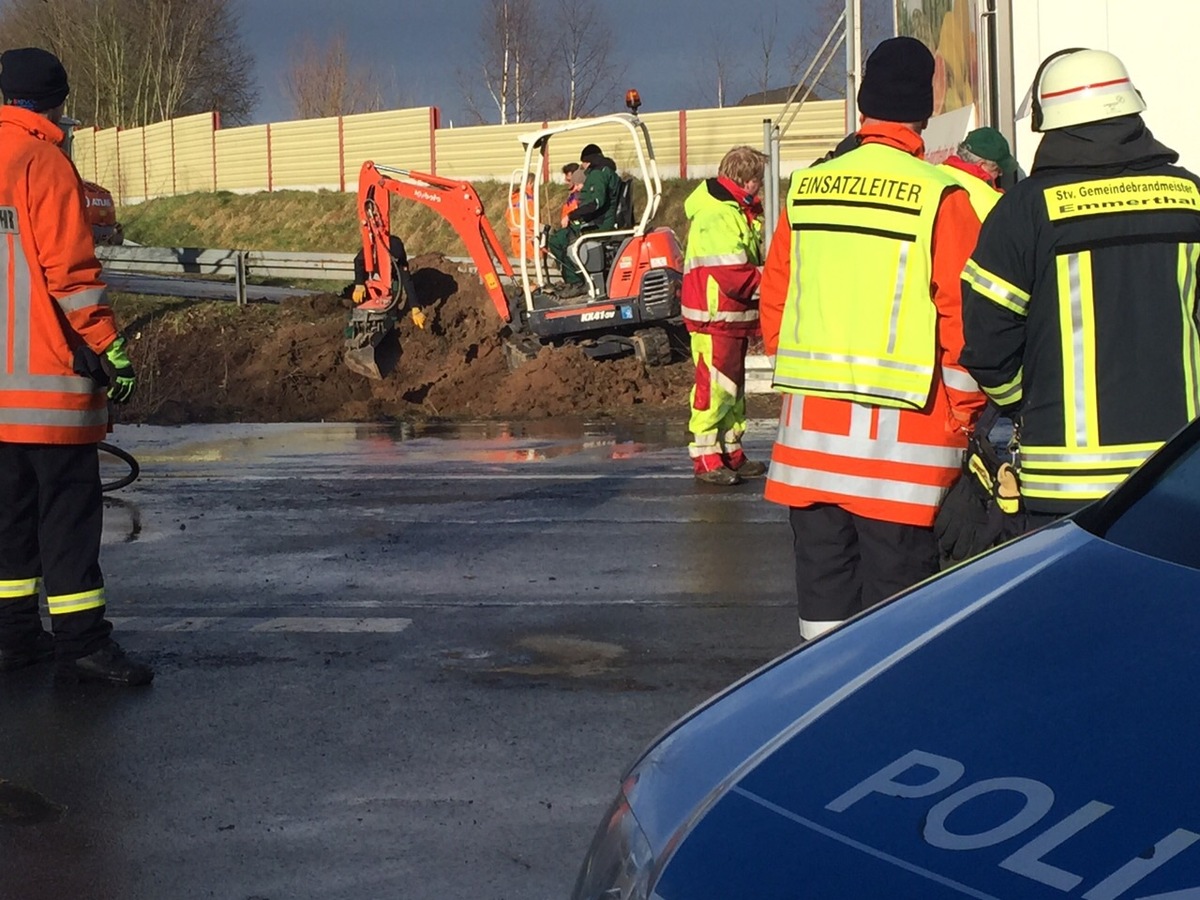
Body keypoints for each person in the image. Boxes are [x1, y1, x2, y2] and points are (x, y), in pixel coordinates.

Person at [759, 36, 986, 640]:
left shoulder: (807, 190)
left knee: (821, 636)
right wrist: (963, 424)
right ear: (925, 109)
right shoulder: (942, 198)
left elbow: (775, 318)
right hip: (904, 468)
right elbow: (965, 334)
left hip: (809, 461)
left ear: (864, 104)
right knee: (895, 644)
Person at [961, 48, 1200, 526]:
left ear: (1050, 120)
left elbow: (989, 343)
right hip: (1181, 476)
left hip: (1066, 486)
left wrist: (1028, 400)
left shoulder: (1024, 210)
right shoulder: (1191, 195)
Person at [0, 47, 152, 685]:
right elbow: (72, 275)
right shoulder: (44, 161)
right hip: (49, 386)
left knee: (9, 521)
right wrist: (111, 349)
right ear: (56, 103)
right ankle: (84, 644)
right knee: (67, 519)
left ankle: (12, 639)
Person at [682, 145, 768, 485]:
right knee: (714, 388)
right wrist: (772, 280)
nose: (760, 187)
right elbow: (733, 272)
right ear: (746, 180)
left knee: (731, 388)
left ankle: (730, 449)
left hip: (727, 315)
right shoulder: (719, 215)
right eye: (758, 181)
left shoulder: (731, 209)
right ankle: (706, 456)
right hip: (716, 314)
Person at [546, 143, 620, 298]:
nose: (583, 167)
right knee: (560, 238)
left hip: (600, 224)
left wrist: (573, 215)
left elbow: (596, 202)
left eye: (584, 163)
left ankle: (578, 283)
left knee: (559, 240)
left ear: (589, 160)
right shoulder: (605, 172)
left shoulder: (598, 174)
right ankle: (577, 280)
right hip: (600, 220)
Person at [939, 126, 1017, 220]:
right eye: (997, 170)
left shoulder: (936, 172)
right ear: (981, 165)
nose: (1001, 174)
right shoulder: (992, 202)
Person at [506, 172, 537, 262]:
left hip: (515, 235)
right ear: (530, 183)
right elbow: (531, 215)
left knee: (519, 262)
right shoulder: (528, 197)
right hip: (528, 237)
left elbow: (508, 215)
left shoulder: (514, 196)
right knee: (533, 264)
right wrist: (535, 230)